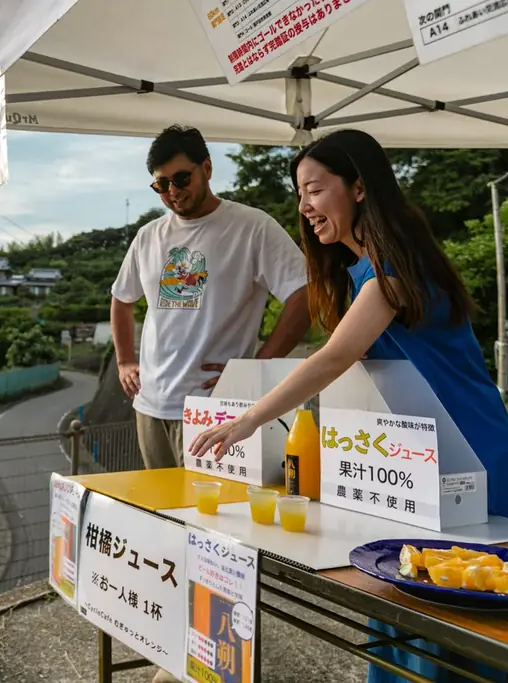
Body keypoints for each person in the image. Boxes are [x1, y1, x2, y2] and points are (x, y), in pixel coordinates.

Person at [190, 129, 508, 683]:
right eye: (299, 194)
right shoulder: (364, 270)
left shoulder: (392, 271)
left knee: (461, 613)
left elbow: (333, 358)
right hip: (419, 465)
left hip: (471, 458)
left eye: (315, 190)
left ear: (359, 187)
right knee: (412, 602)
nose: (304, 207)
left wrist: (246, 420)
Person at [111, 124, 311, 474]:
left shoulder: (252, 227)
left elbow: (306, 294)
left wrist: (257, 366)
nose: (173, 192)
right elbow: (121, 298)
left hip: (216, 408)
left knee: (212, 506)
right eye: (162, 184)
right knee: (161, 505)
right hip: (149, 405)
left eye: (181, 179)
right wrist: (125, 360)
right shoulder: (148, 236)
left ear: (206, 168)